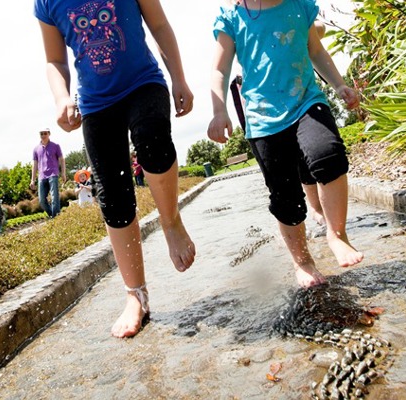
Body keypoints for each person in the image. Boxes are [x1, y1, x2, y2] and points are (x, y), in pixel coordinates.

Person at [36, 0, 197, 338]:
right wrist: (62, 98)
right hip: (96, 104)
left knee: (151, 139)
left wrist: (178, 78)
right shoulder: (46, 2)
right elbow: (54, 60)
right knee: (112, 196)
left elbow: (160, 25)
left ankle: (171, 222)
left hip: (144, 84)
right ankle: (135, 293)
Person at [207, 0, 364, 288]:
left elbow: (315, 49)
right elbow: (220, 70)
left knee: (327, 154)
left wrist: (338, 84)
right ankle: (302, 261)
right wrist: (219, 111)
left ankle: (337, 235)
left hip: (307, 101)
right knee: (285, 196)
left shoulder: (299, 5)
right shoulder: (232, 17)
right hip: (263, 119)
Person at [30, 129, 66, 218]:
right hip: (42, 176)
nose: (43, 135)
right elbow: (34, 165)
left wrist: (63, 173)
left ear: (49, 134)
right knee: (42, 200)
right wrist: (32, 180)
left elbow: (62, 160)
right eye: (41, 134)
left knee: (54, 197)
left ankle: (56, 217)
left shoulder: (55, 146)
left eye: (45, 133)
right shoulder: (36, 149)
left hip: (53, 174)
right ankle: (53, 216)